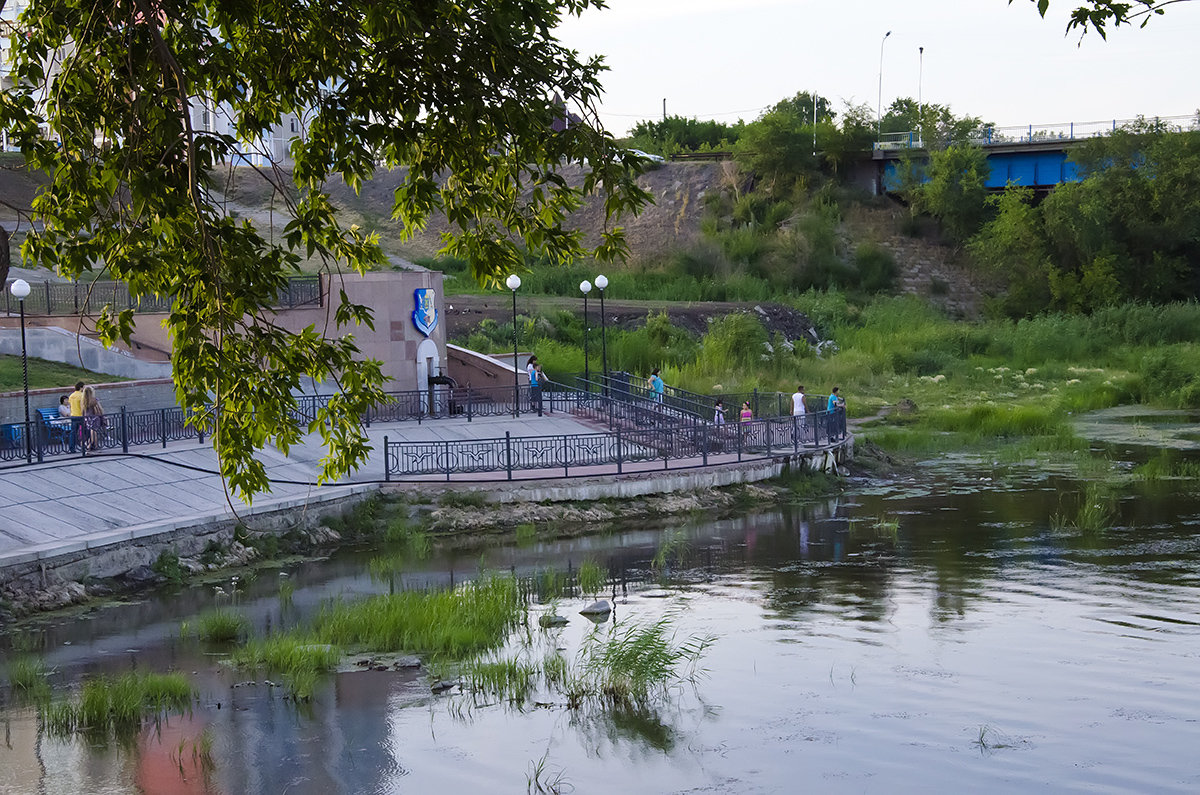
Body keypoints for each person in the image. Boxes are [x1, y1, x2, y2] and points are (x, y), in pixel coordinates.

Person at [82, 385, 105, 451]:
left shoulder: (84, 400)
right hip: (95, 417)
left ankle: (90, 445)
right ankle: (93, 445)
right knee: (94, 431)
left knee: (91, 431)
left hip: (87, 418)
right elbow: (99, 408)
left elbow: (83, 410)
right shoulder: (94, 400)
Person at [68, 381, 85, 453]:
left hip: (73, 415)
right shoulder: (81, 395)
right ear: (81, 387)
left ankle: (72, 448)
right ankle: (84, 446)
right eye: (83, 387)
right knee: (85, 431)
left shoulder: (71, 395)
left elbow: (70, 405)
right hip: (80, 415)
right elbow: (82, 406)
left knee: (73, 432)